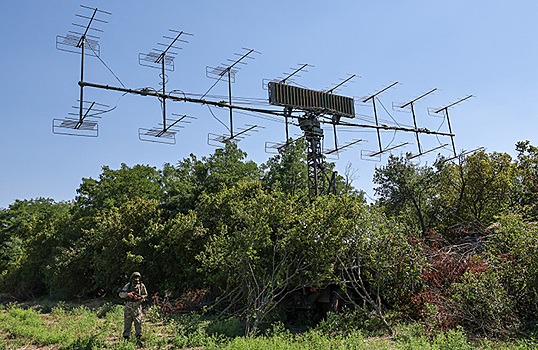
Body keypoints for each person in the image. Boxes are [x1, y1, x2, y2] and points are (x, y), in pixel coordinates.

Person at [119, 271, 148, 341]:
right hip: (128, 306)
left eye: (137, 278)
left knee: (138, 322)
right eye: (135, 277)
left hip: (137, 306)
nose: (136, 279)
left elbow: (145, 295)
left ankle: (139, 337)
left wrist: (139, 298)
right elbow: (120, 294)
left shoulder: (141, 286)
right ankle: (126, 337)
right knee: (127, 322)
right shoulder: (128, 285)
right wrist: (128, 294)